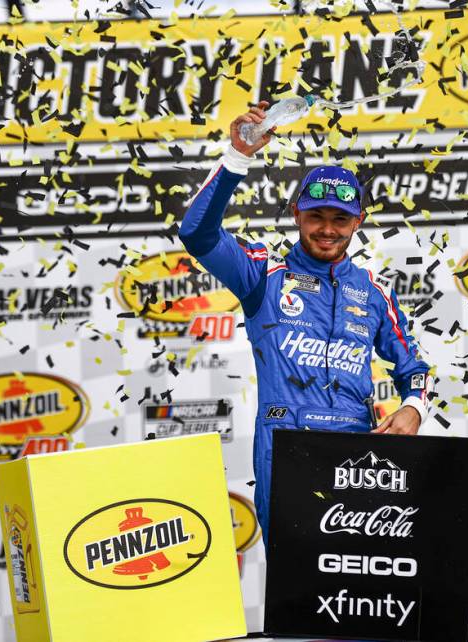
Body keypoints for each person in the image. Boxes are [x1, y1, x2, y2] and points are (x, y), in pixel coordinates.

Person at [178, 101, 432, 542]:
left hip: (358, 450)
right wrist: (237, 157)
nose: (327, 229)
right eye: (316, 216)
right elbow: (197, 233)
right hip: (285, 444)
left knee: (357, 583)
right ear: (297, 214)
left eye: (340, 219)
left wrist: (413, 408)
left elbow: (413, 370)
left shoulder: (373, 292)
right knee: (293, 588)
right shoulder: (262, 273)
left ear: (359, 222)